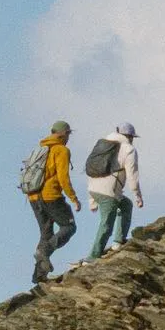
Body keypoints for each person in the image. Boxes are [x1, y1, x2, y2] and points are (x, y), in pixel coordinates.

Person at [27, 120, 78, 282]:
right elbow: (63, 177)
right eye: (68, 134)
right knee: (69, 226)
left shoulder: (41, 148)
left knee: (46, 233)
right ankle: (45, 252)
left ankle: (39, 276)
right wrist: (73, 198)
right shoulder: (61, 150)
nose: (69, 137)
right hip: (51, 195)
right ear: (63, 134)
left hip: (33, 196)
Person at [87, 122, 140, 258]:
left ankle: (118, 240)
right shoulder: (128, 150)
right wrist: (137, 196)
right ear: (130, 137)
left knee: (125, 205)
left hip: (94, 189)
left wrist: (92, 200)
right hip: (108, 193)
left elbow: (94, 169)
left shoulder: (103, 145)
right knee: (106, 224)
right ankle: (92, 257)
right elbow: (132, 176)